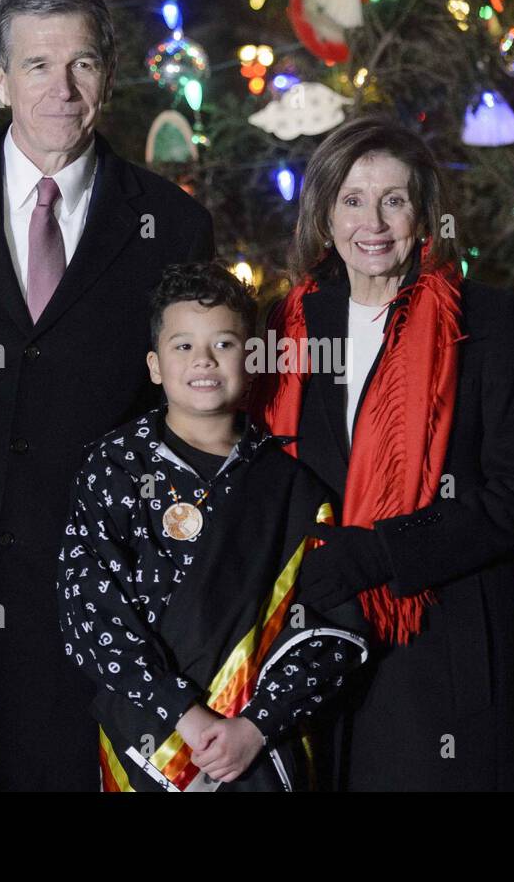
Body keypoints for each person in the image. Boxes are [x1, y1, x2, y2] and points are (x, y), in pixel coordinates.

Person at [0, 0, 214, 791]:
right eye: (36, 66)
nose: (61, 90)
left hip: (85, 606)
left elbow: (180, 418)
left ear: (108, 75)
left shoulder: (171, 224)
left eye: (80, 64)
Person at [250, 115, 514, 791]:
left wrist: (384, 550)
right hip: (310, 647)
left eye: (394, 199)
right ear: (326, 213)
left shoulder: (490, 323)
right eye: (353, 200)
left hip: (437, 651)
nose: (375, 221)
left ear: (424, 217)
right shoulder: (286, 327)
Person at [57, 262, 368, 791]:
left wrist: (256, 725)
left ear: (251, 361)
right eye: (183, 346)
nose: (203, 360)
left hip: (258, 749)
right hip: (148, 743)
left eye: (223, 344)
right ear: (154, 365)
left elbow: (333, 630)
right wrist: (184, 714)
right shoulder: (113, 468)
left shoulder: (291, 486)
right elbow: (89, 614)